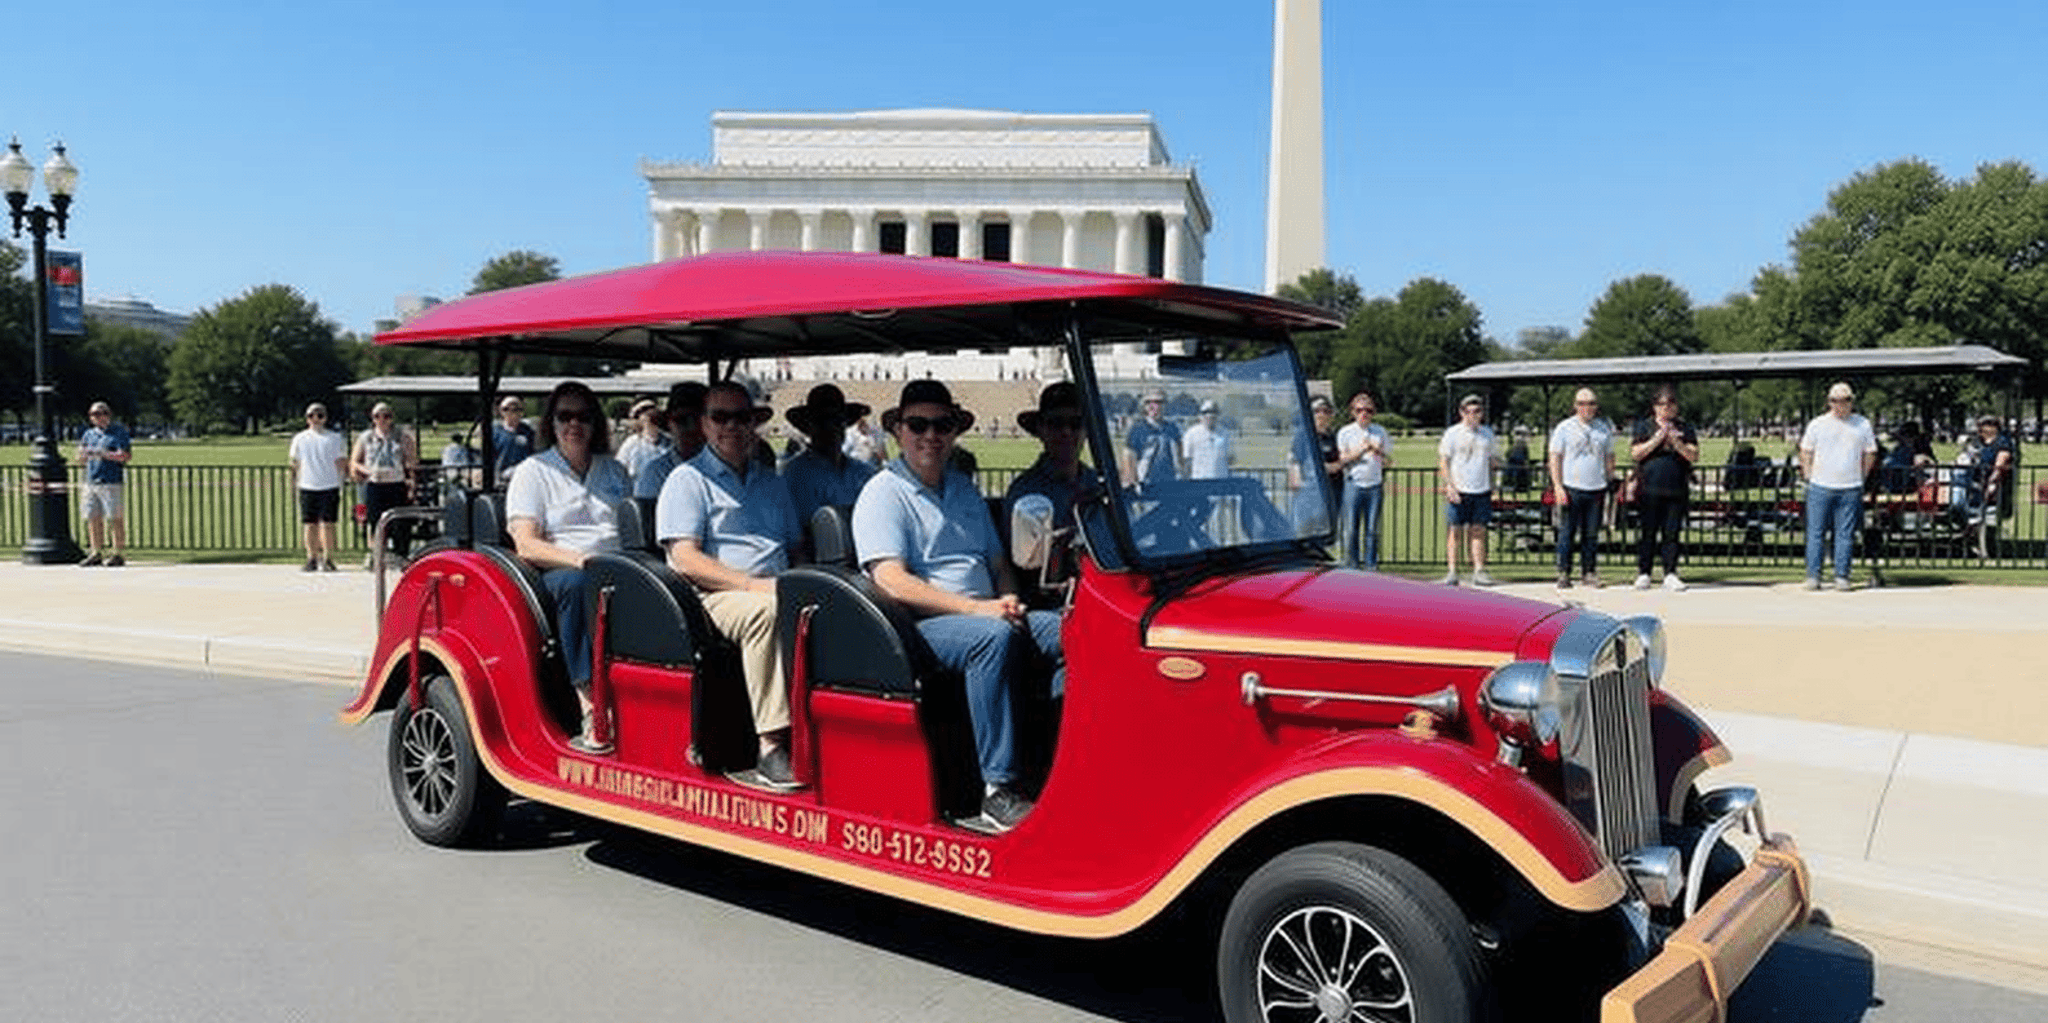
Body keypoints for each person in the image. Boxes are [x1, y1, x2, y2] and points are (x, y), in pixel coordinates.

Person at [852, 380, 1063, 833]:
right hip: (918, 626)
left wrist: (1007, 597)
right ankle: (996, 790)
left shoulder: (963, 488)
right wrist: (977, 611)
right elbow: (892, 580)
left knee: (1074, 630)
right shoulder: (882, 493)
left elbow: (997, 561)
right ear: (898, 432)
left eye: (942, 425)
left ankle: (1061, 760)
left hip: (982, 613)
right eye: (918, 425)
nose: (931, 435)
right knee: (993, 639)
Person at [656, 381, 804, 790]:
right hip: (713, 596)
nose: (731, 426)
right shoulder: (687, 480)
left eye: (741, 417)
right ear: (704, 424)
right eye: (720, 417)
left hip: (776, 585)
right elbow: (685, 558)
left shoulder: (771, 481)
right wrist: (753, 586)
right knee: (766, 614)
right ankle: (771, 746)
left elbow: (795, 548)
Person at [506, 381, 631, 753]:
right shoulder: (534, 471)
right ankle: (590, 704)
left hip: (619, 564)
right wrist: (582, 560)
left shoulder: (614, 470)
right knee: (578, 586)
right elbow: (526, 543)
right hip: (560, 566)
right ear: (551, 422)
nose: (573, 424)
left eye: (583, 416)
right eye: (565, 416)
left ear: (595, 423)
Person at [1797, 382, 1878, 591]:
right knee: (1816, 533)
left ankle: (1842, 576)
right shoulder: (1817, 424)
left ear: (1852, 402)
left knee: (1845, 534)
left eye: (1845, 400)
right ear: (1829, 402)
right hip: (1820, 485)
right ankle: (1813, 576)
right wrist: (1808, 475)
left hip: (1850, 486)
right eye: (1835, 400)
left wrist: (1861, 476)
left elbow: (1870, 453)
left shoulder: (1862, 424)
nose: (1840, 404)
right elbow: (1806, 450)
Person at [1006, 382, 1101, 534]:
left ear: (1086, 431)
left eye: (1075, 424)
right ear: (1041, 430)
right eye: (1056, 423)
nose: (1066, 432)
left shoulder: (1099, 485)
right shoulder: (1025, 493)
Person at [1629, 386, 1699, 591]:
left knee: (1672, 533)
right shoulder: (1644, 426)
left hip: (1676, 488)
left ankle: (1670, 573)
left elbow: (1693, 455)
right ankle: (1644, 573)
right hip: (1649, 487)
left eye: (1670, 404)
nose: (1666, 408)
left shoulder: (1685, 428)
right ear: (1655, 407)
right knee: (1647, 532)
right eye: (1662, 404)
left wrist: (1675, 441)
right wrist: (1658, 438)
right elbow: (1636, 453)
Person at [781, 383, 878, 528]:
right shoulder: (795, 474)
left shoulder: (865, 473)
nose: (832, 428)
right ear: (809, 427)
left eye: (837, 420)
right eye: (822, 421)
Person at [1548, 388, 1615, 589]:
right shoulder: (1564, 428)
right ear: (1575, 406)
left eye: (1592, 403)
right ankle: (1564, 572)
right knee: (1567, 532)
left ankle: (1589, 572)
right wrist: (1558, 486)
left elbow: (1609, 456)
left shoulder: (1603, 428)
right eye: (1583, 403)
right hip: (1571, 487)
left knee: (1591, 534)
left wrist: (1610, 479)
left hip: (1596, 487)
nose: (1587, 407)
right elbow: (1555, 457)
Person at [1437, 394, 1499, 586]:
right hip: (1459, 489)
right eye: (1468, 411)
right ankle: (1452, 571)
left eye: (1477, 411)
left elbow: (1493, 462)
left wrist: (1494, 485)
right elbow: (1444, 461)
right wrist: (1449, 485)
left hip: (1481, 489)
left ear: (1482, 413)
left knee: (1478, 531)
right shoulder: (1452, 434)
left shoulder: (1487, 434)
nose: (1472, 414)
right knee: (1454, 531)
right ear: (1461, 412)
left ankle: (1479, 570)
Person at [351, 401, 420, 567]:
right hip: (375, 484)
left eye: (386, 416)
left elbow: (412, 460)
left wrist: (411, 481)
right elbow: (355, 461)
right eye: (377, 416)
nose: (382, 420)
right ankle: (378, 555)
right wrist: (367, 471)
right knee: (375, 521)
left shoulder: (402, 436)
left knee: (400, 522)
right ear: (373, 418)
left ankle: (400, 554)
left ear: (392, 418)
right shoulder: (366, 437)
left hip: (396, 483)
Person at [1335, 392, 1393, 569]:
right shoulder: (1345, 432)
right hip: (1353, 483)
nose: (1364, 413)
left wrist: (1377, 450)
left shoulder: (1380, 431)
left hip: (1374, 485)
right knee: (1351, 529)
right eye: (1359, 410)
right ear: (1353, 412)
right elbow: (1343, 459)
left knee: (1372, 530)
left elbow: (1389, 459)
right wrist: (1361, 451)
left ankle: (1370, 565)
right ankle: (1352, 565)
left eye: (1368, 410)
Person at [287, 403, 348, 572]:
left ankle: (328, 558)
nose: (316, 419)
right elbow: (294, 463)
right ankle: (311, 557)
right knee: (309, 524)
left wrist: (342, 480)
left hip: (329, 484)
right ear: (307, 419)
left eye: (320, 415)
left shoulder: (335, 438)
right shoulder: (300, 438)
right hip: (307, 485)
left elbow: (342, 462)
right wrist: (293, 484)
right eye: (312, 416)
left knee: (328, 524)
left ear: (325, 418)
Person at [76, 400, 133, 567]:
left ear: (109, 415)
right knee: (93, 518)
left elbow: (125, 456)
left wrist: (104, 454)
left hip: (111, 481)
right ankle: (96, 552)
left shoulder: (118, 433)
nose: (98, 417)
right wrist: (83, 455)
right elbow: (80, 458)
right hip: (91, 480)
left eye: (102, 413)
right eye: (94, 414)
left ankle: (118, 553)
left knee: (115, 518)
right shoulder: (88, 434)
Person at [633, 381, 709, 500]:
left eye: (698, 420)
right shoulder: (656, 472)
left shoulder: (732, 467)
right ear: (669, 423)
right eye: (681, 420)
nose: (691, 427)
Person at [1288, 395, 1341, 535]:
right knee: (1303, 534)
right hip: (1308, 493)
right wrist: (1297, 483)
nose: (1321, 415)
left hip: (1330, 494)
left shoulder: (1333, 437)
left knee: (1324, 535)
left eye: (1326, 411)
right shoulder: (1303, 435)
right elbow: (1294, 460)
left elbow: (1337, 462)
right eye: (1317, 411)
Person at [1121, 388, 1182, 488]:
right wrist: (1132, 482)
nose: (1153, 406)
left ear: (1165, 405)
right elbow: (1129, 457)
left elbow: (1180, 457)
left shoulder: (1173, 429)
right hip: (1146, 485)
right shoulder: (1137, 429)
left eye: (1158, 402)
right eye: (1148, 402)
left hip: (1170, 484)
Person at [614, 397, 671, 480]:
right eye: (644, 413)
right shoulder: (631, 443)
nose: (650, 416)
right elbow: (618, 470)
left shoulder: (668, 441)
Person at [1182, 399, 1232, 479]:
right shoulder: (1191, 434)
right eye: (1205, 412)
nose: (1210, 415)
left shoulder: (1225, 434)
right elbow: (1187, 461)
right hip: (1199, 483)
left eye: (1213, 412)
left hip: (1220, 482)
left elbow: (1230, 459)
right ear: (1200, 415)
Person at [492, 395, 537, 483]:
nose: (511, 412)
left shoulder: (528, 432)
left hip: (525, 475)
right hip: (501, 477)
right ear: (501, 412)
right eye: (506, 409)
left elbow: (534, 454)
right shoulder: (495, 432)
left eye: (516, 409)